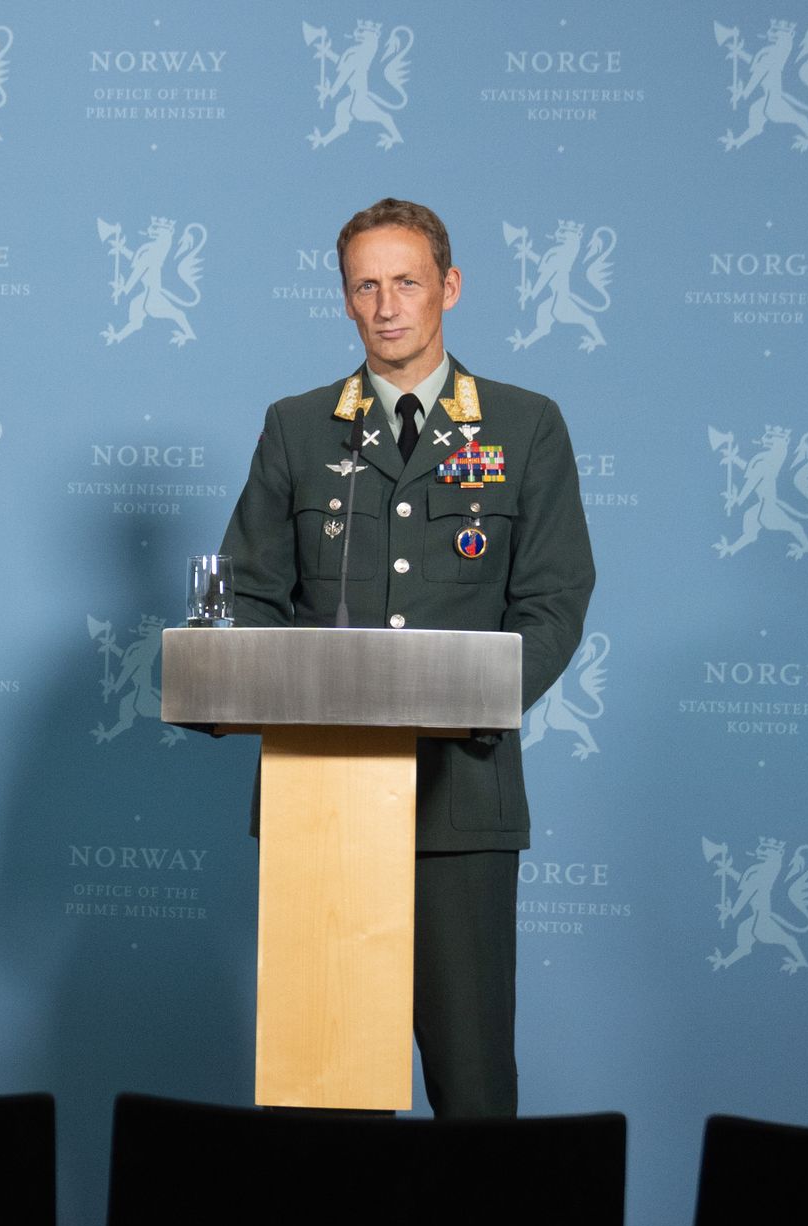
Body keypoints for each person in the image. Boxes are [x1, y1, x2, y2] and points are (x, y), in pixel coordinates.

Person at [219, 198, 593, 1117]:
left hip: (461, 799)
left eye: (408, 282)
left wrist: (470, 704)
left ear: (449, 288)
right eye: (365, 286)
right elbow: (248, 600)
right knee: (323, 1087)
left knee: (473, 1088)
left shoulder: (524, 424)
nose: (388, 306)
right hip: (322, 802)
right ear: (346, 301)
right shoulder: (299, 426)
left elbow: (552, 603)